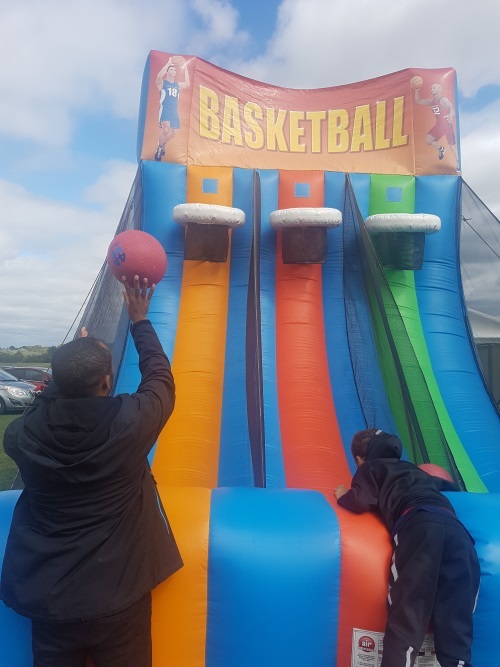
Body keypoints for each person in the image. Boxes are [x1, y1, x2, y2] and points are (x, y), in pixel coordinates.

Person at [0, 275, 183, 667]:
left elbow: (38, 408)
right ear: (106, 381)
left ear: (58, 384)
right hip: (120, 597)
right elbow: (161, 382)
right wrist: (140, 321)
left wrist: (72, 364)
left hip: (50, 598)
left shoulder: (21, 436)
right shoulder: (129, 424)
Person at [334, 428, 480, 667]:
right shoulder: (414, 470)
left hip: (419, 526)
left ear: (360, 460)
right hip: (457, 532)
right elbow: (446, 486)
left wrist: (343, 495)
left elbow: (361, 500)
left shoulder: (371, 468)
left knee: (408, 615)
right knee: (457, 625)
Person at [414, 81, 460, 172]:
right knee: (428, 140)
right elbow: (418, 101)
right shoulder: (432, 101)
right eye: (431, 88)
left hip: (447, 125)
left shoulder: (443, 99)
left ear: (439, 89)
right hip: (439, 125)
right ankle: (441, 149)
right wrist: (416, 91)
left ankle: (458, 162)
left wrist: (450, 115)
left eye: (434, 87)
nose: (432, 89)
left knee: (452, 146)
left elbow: (452, 110)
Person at [154, 56, 190, 162]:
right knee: (166, 129)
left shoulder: (177, 85)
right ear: (167, 71)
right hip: (165, 107)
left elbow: (187, 83)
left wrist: (186, 69)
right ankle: (159, 150)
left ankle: (163, 144)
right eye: (171, 69)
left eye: (174, 70)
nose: (173, 71)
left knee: (174, 132)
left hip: (174, 109)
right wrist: (168, 63)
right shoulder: (162, 83)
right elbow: (158, 76)